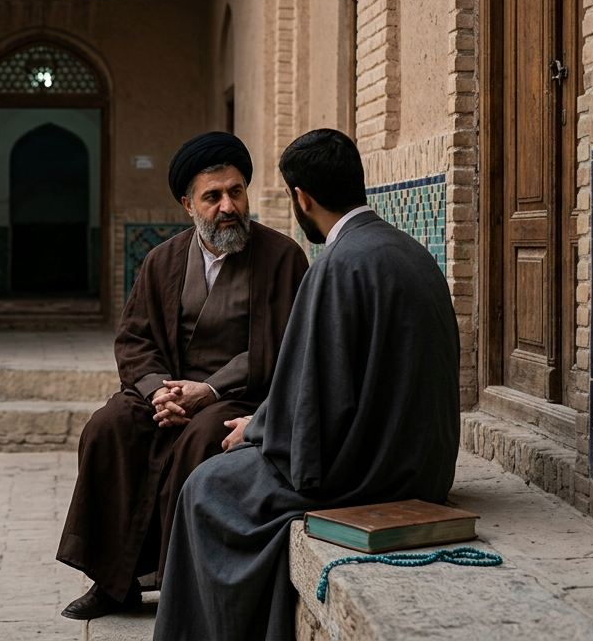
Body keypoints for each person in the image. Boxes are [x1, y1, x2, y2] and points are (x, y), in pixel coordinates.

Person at [154, 129, 461, 641]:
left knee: (206, 488)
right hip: (426, 463)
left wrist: (257, 431)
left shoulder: (337, 266)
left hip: (374, 474)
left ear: (302, 198)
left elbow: (317, 399)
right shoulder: (409, 251)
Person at [57, 132, 309, 620]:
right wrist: (159, 392)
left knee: (201, 439)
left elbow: (284, 347)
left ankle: (181, 588)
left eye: (235, 192)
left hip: (240, 397)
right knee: (108, 428)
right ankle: (114, 584)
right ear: (186, 203)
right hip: (167, 391)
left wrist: (208, 390)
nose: (227, 206)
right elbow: (134, 340)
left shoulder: (282, 259)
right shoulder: (163, 260)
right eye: (212, 196)